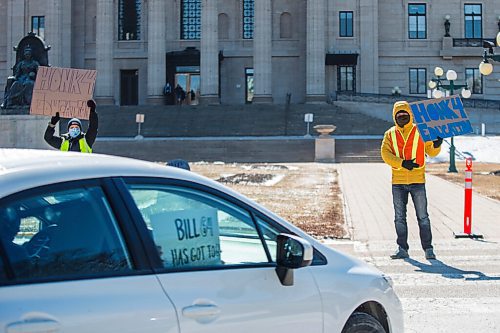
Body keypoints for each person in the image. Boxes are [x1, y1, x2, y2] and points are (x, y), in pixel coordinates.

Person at [381, 101, 443, 260]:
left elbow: (432, 151)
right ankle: (402, 248)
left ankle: (428, 249)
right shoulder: (390, 134)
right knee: (399, 218)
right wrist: (402, 163)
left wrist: (437, 144)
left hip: (417, 181)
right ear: (394, 116)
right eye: (398, 115)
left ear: (410, 115)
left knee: (423, 217)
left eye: (404, 114)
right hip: (398, 182)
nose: (402, 117)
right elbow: (385, 154)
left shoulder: (421, 131)